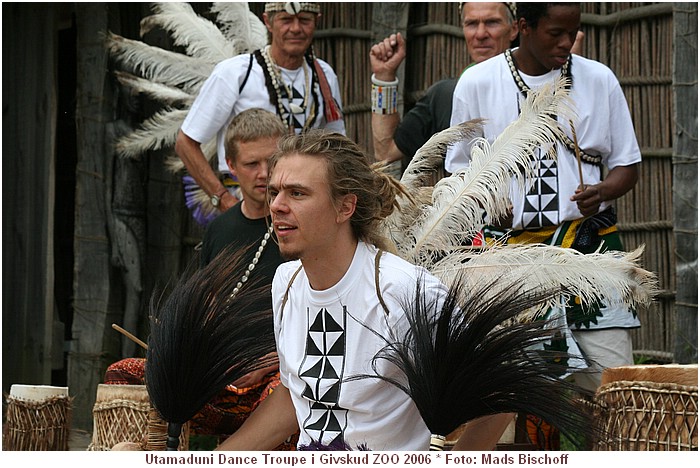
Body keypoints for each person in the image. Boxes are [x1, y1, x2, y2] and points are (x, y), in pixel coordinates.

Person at [214, 130, 521, 451]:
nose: (276, 205)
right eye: (275, 191)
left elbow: (501, 391)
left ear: (345, 207)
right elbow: (299, 394)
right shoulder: (286, 282)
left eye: (297, 193)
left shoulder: (404, 292)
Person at [445, 2, 642, 394]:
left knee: (612, 386)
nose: (567, 42)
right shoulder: (478, 83)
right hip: (507, 257)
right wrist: (487, 203)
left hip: (590, 247)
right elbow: (458, 172)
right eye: (556, 33)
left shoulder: (598, 79)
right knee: (514, 393)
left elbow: (627, 165)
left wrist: (603, 190)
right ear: (523, 28)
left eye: (573, 32)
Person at [104, 109, 297, 449]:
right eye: (252, 164)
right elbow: (204, 308)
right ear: (231, 166)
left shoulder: (297, 226)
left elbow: (320, 320)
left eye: (272, 161)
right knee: (125, 373)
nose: (264, 173)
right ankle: (147, 454)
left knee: (289, 390)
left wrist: (269, 360)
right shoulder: (220, 229)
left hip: (274, 376)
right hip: (219, 378)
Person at [370, 2, 583, 175]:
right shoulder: (445, 95)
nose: (480, 34)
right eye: (472, 24)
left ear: (515, 29)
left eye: (492, 22)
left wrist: (567, 71)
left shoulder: (552, 86)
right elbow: (385, 152)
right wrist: (384, 78)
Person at [175, 2, 345, 215]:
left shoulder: (324, 75)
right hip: (243, 202)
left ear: (316, 22)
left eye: (304, 20)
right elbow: (186, 143)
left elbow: (337, 146)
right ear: (268, 22)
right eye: (285, 20)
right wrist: (225, 201)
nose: (295, 28)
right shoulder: (236, 73)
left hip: (301, 207)